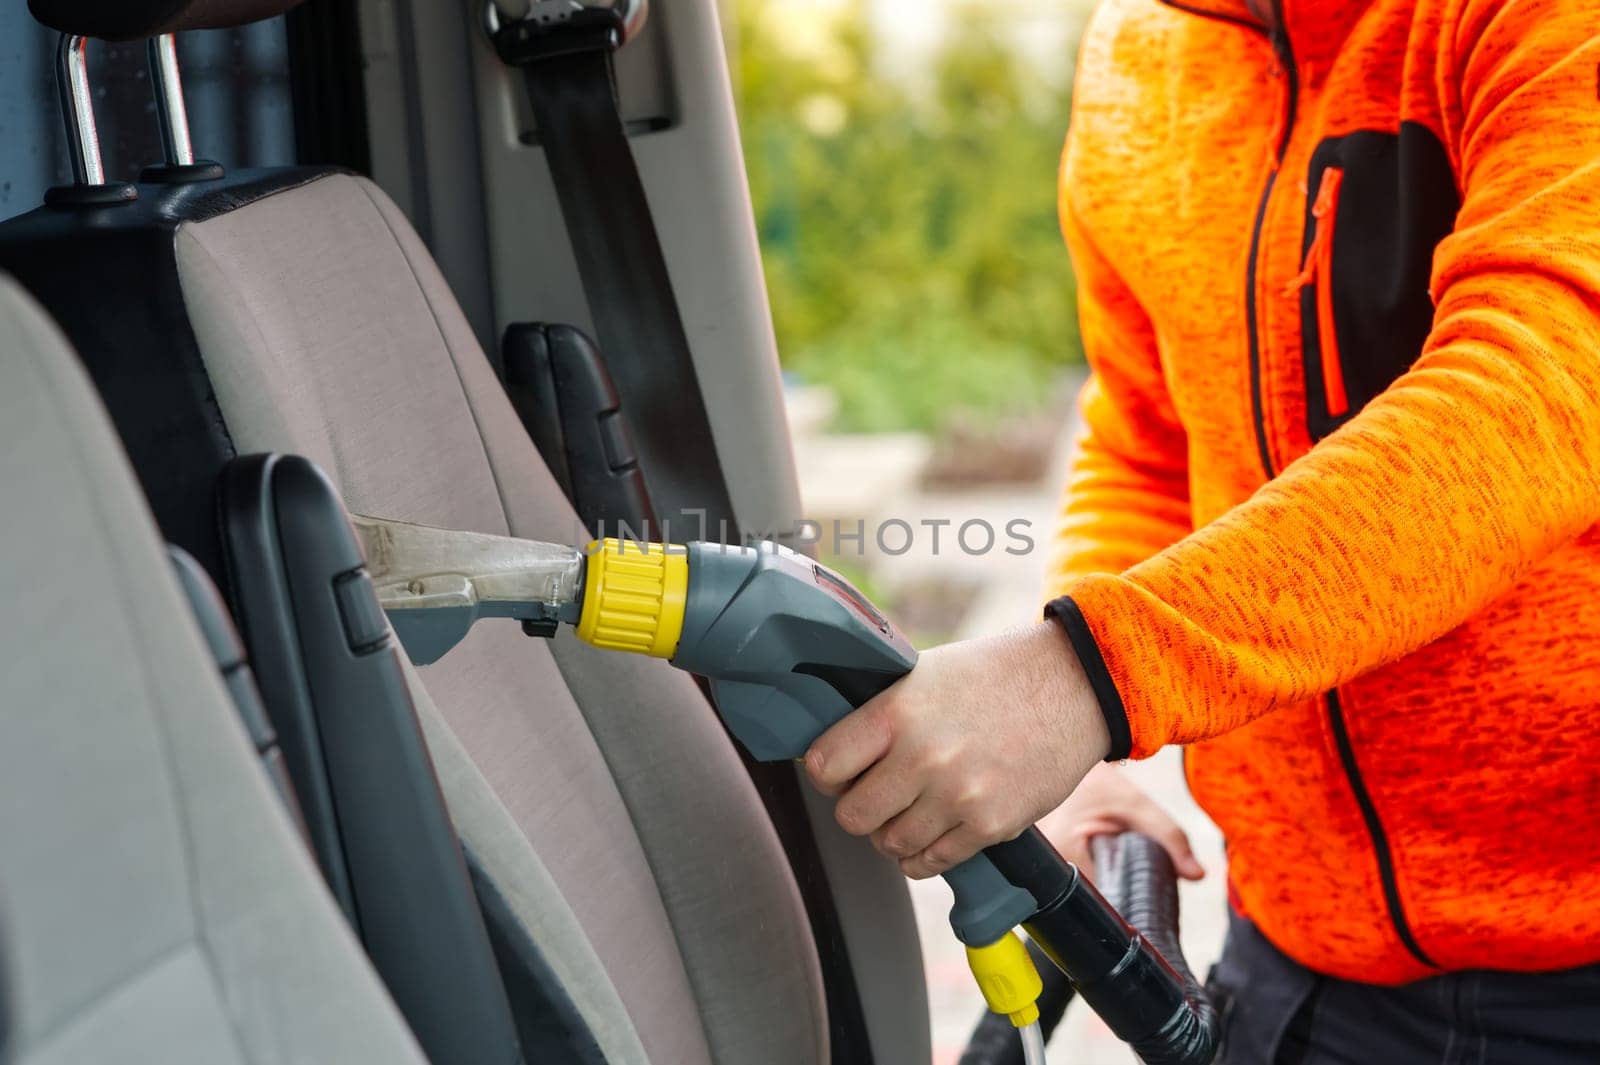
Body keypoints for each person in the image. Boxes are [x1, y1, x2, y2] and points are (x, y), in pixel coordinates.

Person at [802, 0, 1600, 1058]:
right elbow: (1147, 437)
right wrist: (1088, 752)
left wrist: (1087, 677)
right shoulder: (1136, 59)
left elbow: (1540, 394)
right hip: (1294, 962)